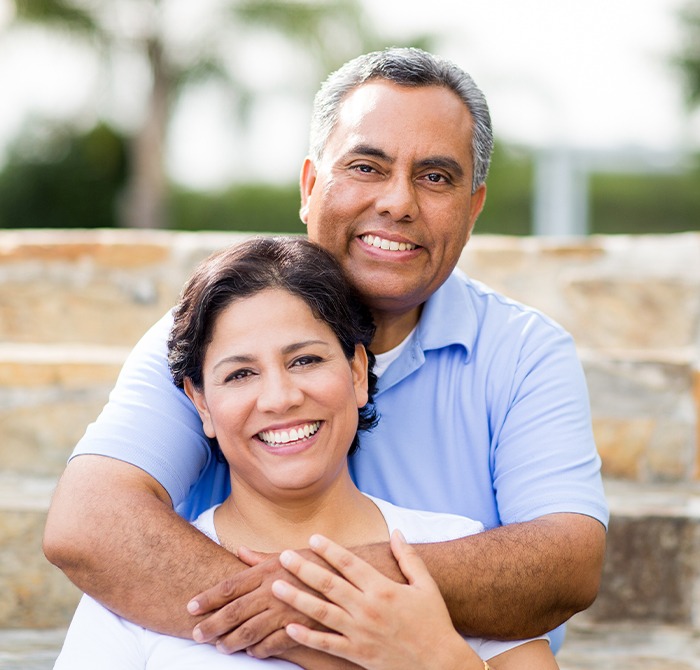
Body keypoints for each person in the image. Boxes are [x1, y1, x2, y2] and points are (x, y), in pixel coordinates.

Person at [43, 47, 608, 659]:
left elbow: (566, 563)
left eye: (436, 177)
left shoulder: (524, 353)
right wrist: (327, 636)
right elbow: (91, 522)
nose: (398, 202)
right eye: (366, 166)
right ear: (311, 186)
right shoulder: (211, 331)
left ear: (473, 209)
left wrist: (316, 594)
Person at [54, 236, 558, 669]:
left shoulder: (453, 550)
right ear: (200, 404)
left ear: (358, 372)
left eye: (305, 360)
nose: (280, 397)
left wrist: (438, 659)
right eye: (240, 374)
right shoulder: (136, 584)